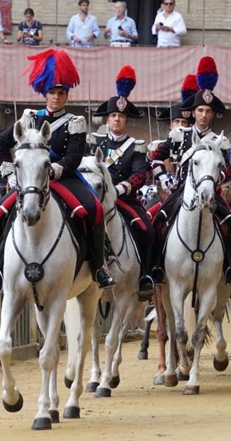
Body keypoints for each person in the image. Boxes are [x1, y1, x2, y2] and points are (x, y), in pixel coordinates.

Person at [0, 49, 115, 291]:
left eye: (61, 93)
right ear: (45, 93)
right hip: (30, 181)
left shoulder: (75, 122)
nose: (56, 97)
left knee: (94, 208)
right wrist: (10, 172)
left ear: (66, 96)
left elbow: (74, 156)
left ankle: (98, 267)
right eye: (52, 92)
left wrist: (56, 170)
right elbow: (2, 144)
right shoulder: (29, 118)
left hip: (62, 178)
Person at [150, 56, 231, 286]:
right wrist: (165, 176)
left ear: (212, 115)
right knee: (156, 220)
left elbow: (229, 171)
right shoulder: (179, 135)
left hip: (211, 193)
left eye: (208, 111)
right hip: (180, 191)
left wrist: (215, 180)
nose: (203, 115)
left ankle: (230, 266)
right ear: (193, 112)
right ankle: (155, 268)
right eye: (200, 110)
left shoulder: (220, 141)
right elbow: (157, 158)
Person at [90, 65, 155, 298]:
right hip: (94, 198)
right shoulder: (94, 141)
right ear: (108, 119)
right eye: (113, 115)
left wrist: (117, 189)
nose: (117, 119)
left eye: (121, 116)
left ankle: (146, 276)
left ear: (127, 120)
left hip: (124, 200)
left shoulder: (136, 145)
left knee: (147, 230)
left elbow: (138, 175)